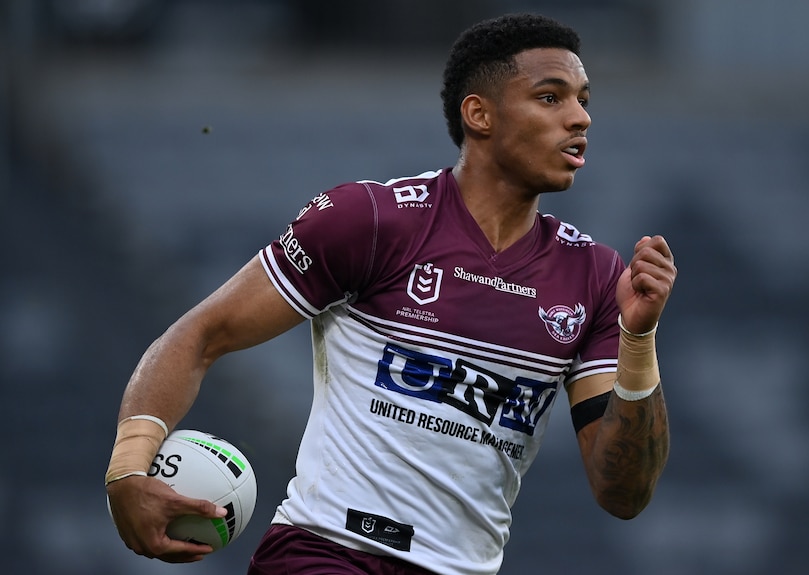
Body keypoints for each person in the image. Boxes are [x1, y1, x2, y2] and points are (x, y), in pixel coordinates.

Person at [105, 12, 676, 575]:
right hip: (326, 552)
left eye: (584, 100)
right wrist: (128, 470)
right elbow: (201, 334)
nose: (580, 118)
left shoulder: (596, 276)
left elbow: (622, 494)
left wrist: (639, 338)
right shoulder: (373, 221)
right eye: (551, 98)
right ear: (479, 114)